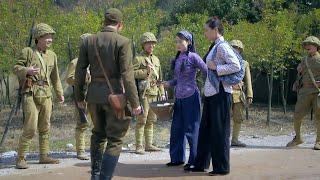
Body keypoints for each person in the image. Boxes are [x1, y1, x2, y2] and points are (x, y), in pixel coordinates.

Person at [74, 8, 142, 180]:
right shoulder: (123, 42)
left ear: (104, 22)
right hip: (115, 97)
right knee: (115, 139)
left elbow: (80, 71)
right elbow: (127, 75)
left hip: (93, 96)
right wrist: (135, 103)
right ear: (120, 24)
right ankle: (104, 178)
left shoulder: (88, 41)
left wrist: (79, 97)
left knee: (97, 135)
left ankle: (95, 176)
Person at [185, 17, 241, 176]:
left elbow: (235, 65)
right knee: (206, 129)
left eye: (207, 30)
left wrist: (216, 67)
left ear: (215, 30)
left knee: (220, 131)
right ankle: (201, 163)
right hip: (212, 93)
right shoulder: (215, 46)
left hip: (222, 93)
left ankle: (221, 167)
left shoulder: (222, 46)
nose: (205, 33)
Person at [13, 23, 64, 169]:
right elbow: (16, 68)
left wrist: (59, 94)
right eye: (47, 37)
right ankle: (21, 158)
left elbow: (55, 77)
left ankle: (44, 156)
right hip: (30, 93)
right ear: (38, 38)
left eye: (51, 37)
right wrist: (26, 70)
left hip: (46, 94)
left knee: (45, 126)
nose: (50, 40)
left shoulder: (52, 55)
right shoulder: (28, 52)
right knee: (30, 127)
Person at [163, 30, 207, 169]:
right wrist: (168, 83)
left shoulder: (193, 57)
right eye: (176, 41)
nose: (178, 44)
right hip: (179, 98)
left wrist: (213, 87)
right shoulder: (178, 58)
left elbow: (206, 70)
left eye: (180, 41)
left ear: (188, 42)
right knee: (177, 128)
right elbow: (178, 80)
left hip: (191, 96)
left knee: (192, 129)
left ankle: (194, 160)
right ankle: (177, 158)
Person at [133, 32, 166, 154]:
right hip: (144, 94)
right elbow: (131, 74)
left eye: (153, 43)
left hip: (155, 93)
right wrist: (145, 72)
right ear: (143, 44)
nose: (151, 45)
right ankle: (139, 146)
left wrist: (162, 92)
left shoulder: (156, 59)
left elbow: (159, 78)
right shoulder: (138, 59)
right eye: (149, 43)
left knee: (151, 119)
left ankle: (149, 144)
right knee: (142, 119)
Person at [286, 36, 320, 150]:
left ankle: (319, 141)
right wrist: (299, 72)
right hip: (304, 91)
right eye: (306, 44)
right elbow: (301, 76)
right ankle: (298, 138)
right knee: (297, 114)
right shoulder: (304, 59)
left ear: (316, 46)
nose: (307, 46)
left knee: (319, 116)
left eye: (310, 44)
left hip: (317, 91)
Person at [66, 33, 92, 160]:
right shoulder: (75, 62)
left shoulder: (96, 61)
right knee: (82, 124)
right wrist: (83, 78)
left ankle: (96, 148)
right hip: (82, 96)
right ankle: (81, 150)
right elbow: (70, 79)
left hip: (95, 96)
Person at [229, 40, 253, 147]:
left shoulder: (244, 63)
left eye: (237, 48)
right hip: (227, 93)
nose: (235, 50)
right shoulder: (225, 62)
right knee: (223, 118)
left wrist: (249, 95)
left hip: (238, 95)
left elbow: (248, 80)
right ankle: (222, 140)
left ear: (240, 50)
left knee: (238, 118)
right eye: (233, 48)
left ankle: (235, 140)